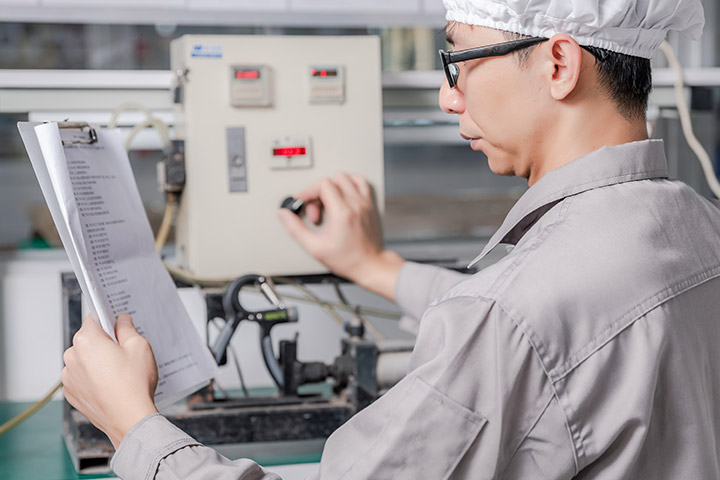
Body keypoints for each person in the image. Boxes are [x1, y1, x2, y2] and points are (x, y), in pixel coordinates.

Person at [61, 0, 720, 478]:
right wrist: (373, 266)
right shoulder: (697, 225)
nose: (446, 97)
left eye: (458, 59)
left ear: (557, 63)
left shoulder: (509, 317)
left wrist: (132, 426)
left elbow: (522, 328)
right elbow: (560, 334)